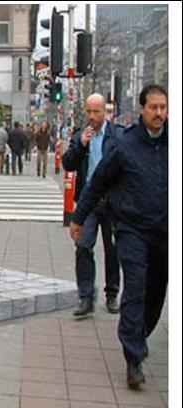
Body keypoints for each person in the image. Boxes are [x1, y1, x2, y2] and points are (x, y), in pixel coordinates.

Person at [69, 85, 168, 389]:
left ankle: (139, 334)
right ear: (142, 109)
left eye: (163, 107)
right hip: (131, 228)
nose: (159, 113)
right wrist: (78, 217)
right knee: (135, 288)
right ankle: (133, 357)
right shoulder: (125, 146)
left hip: (164, 232)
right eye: (153, 107)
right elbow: (97, 183)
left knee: (156, 292)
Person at [63, 93, 121, 318]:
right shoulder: (80, 136)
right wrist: (81, 146)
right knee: (83, 245)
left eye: (96, 111)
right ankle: (86, 296)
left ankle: (112, 294)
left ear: (105, 112)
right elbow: (68, 163)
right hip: (88, 202)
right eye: (89, 111)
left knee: (112, 249)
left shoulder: (116, 135)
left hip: (112, 201)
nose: (92, 116)